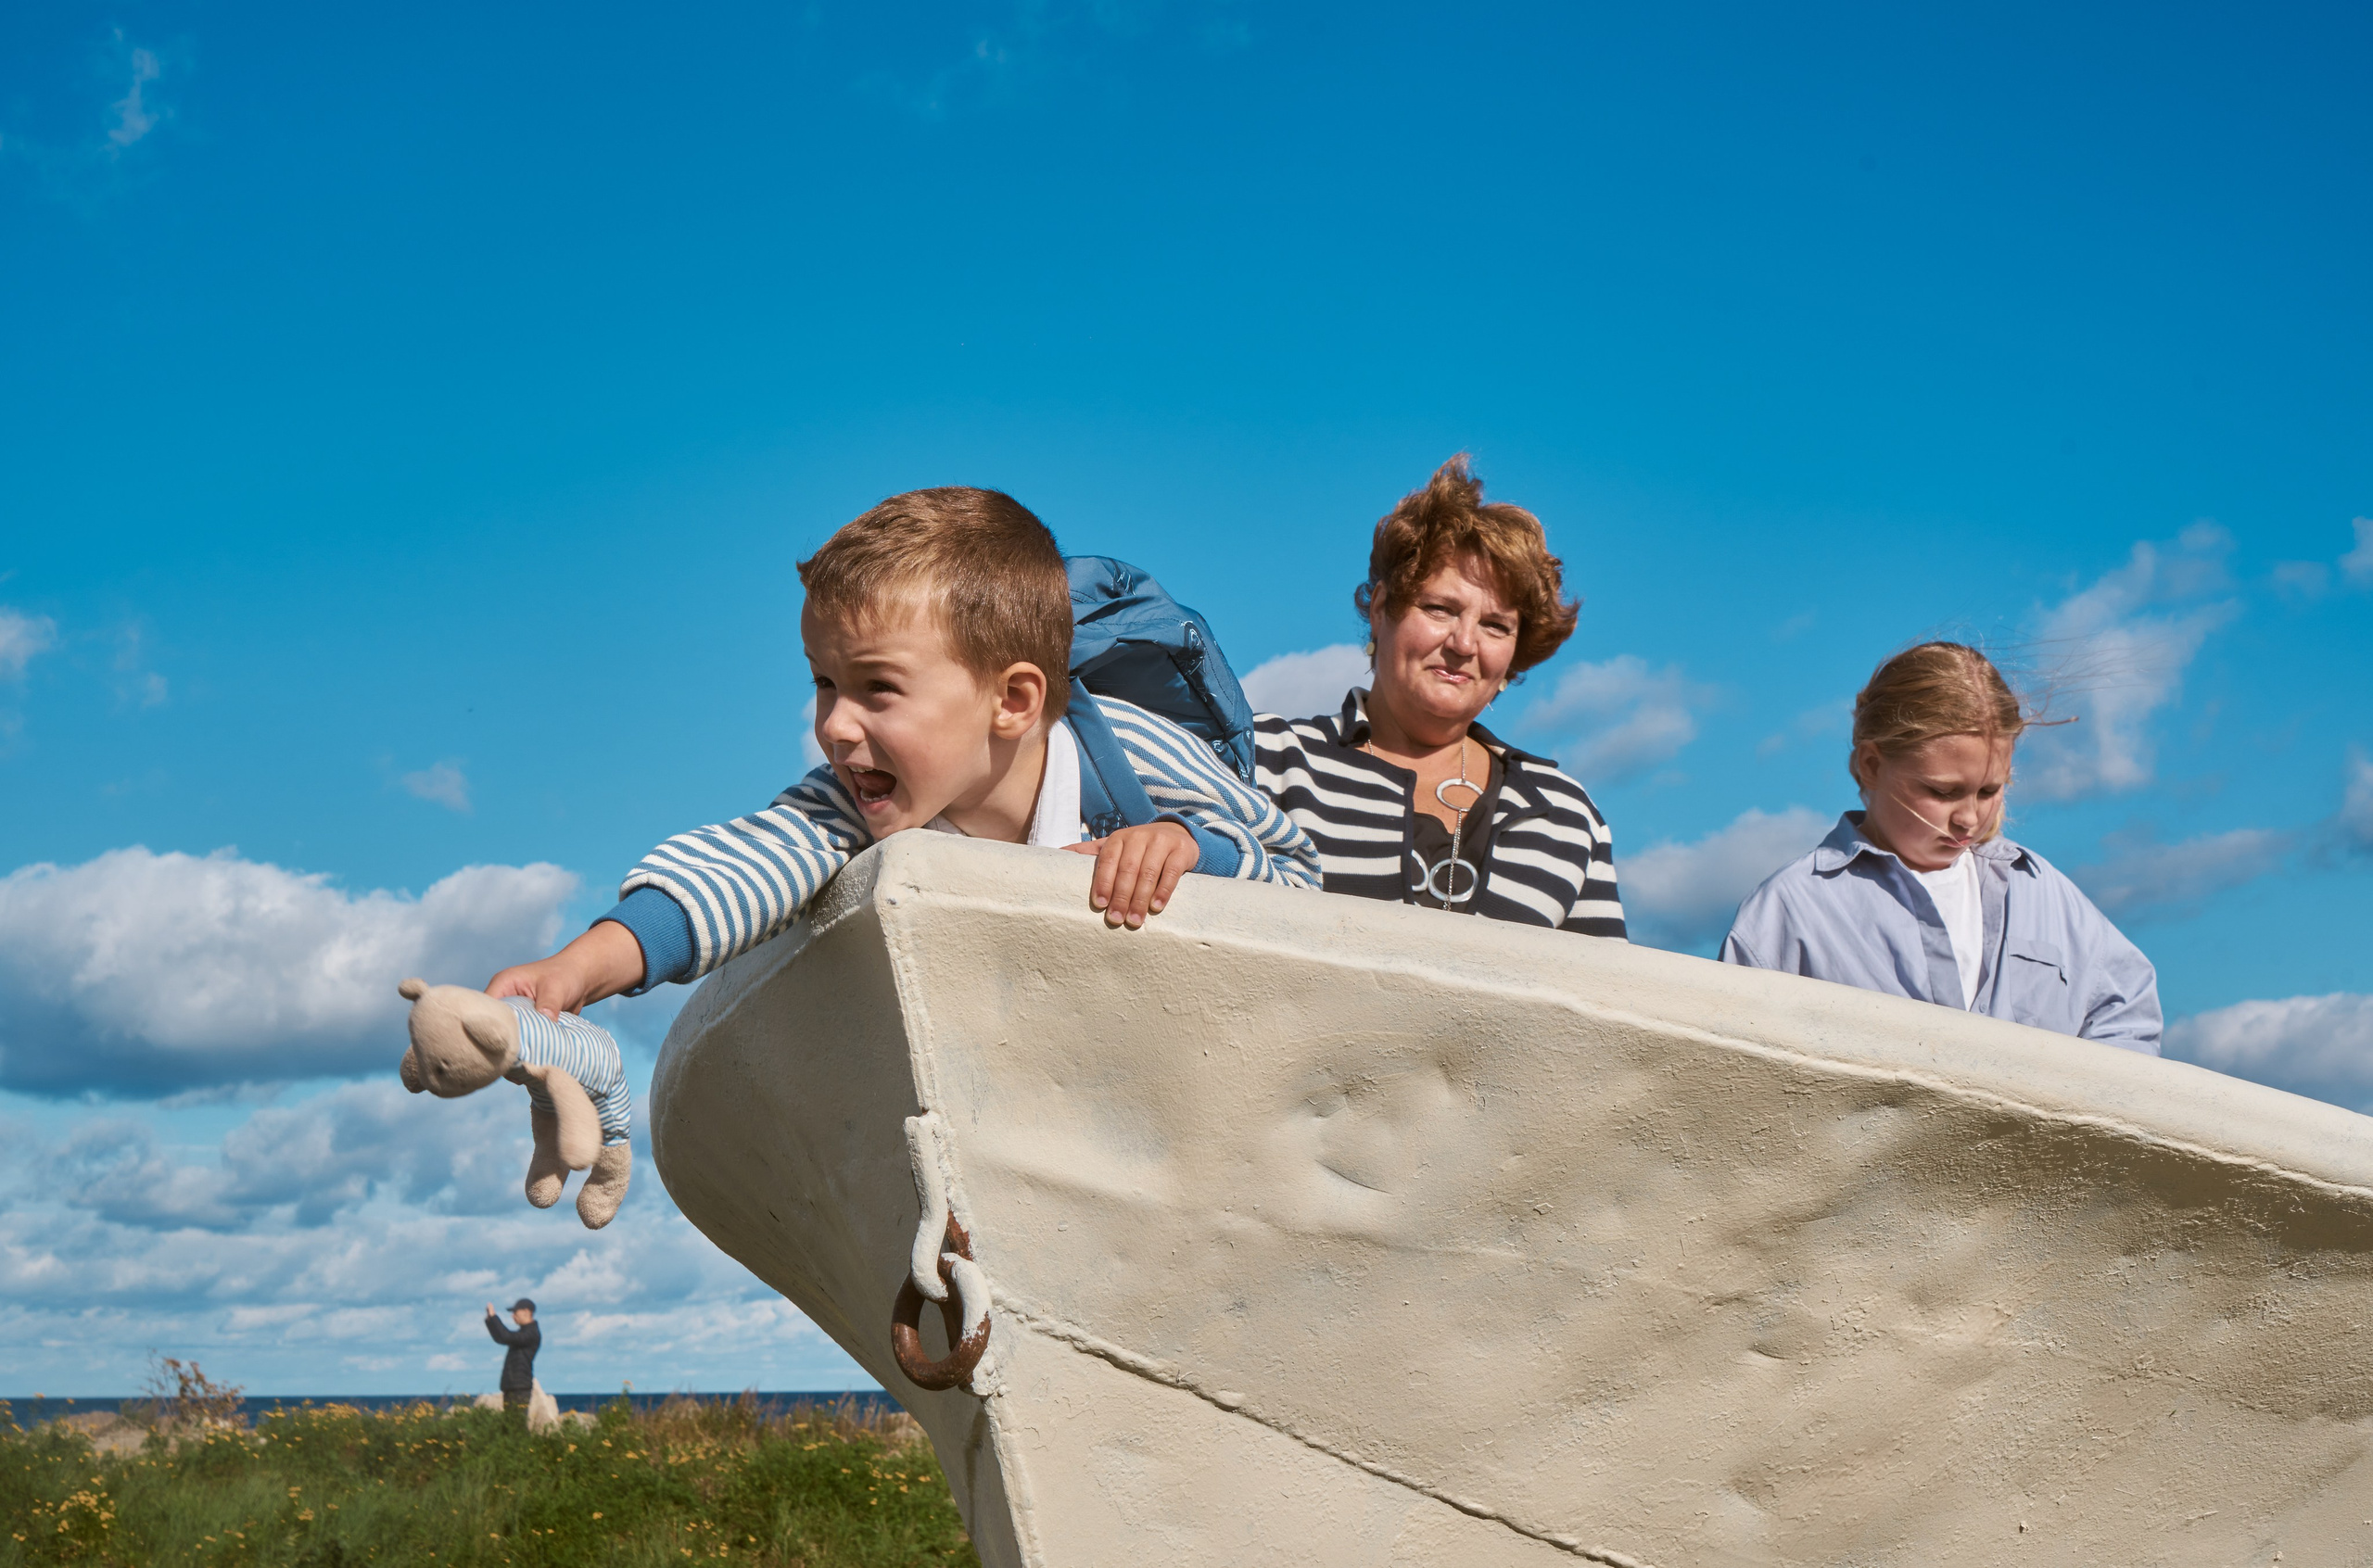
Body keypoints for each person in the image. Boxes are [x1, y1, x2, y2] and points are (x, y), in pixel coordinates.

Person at [488, 487, 1320, 1016]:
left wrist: (1187, 848)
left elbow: (1298, 873)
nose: (837, 727)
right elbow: (741, 865)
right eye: (823, 684)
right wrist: (577, 970)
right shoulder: (856, 803)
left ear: (1014, 700)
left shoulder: (1131, 755)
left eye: (878, 689)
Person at [1721, 641, 2161, 1052]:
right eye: (1943, 792)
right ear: (1872, 765)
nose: (1969, 818)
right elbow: (1738, 1072)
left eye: (1989, 791)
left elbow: (2127, 1011)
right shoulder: (1791, 910)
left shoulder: (2040, 892)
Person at [1253, 456, 1626, 935]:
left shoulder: (1566, 814)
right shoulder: (1271, 760)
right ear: (1383, 608)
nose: (1463, 644)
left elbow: (1603, 997)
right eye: (1440, 609)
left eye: (1495, 625)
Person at [484, 1298, 539, 1412]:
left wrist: (494, 1317)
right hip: (512, 1386)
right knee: (509, 1425)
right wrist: (490, 1320)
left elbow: (506, 1337)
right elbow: (501, 1338)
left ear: (526, 1312)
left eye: (515, 1312)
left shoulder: (532, 1333)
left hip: (520, 1387)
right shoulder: (523, 1333)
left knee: (517, 1424)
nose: (513, 1316)